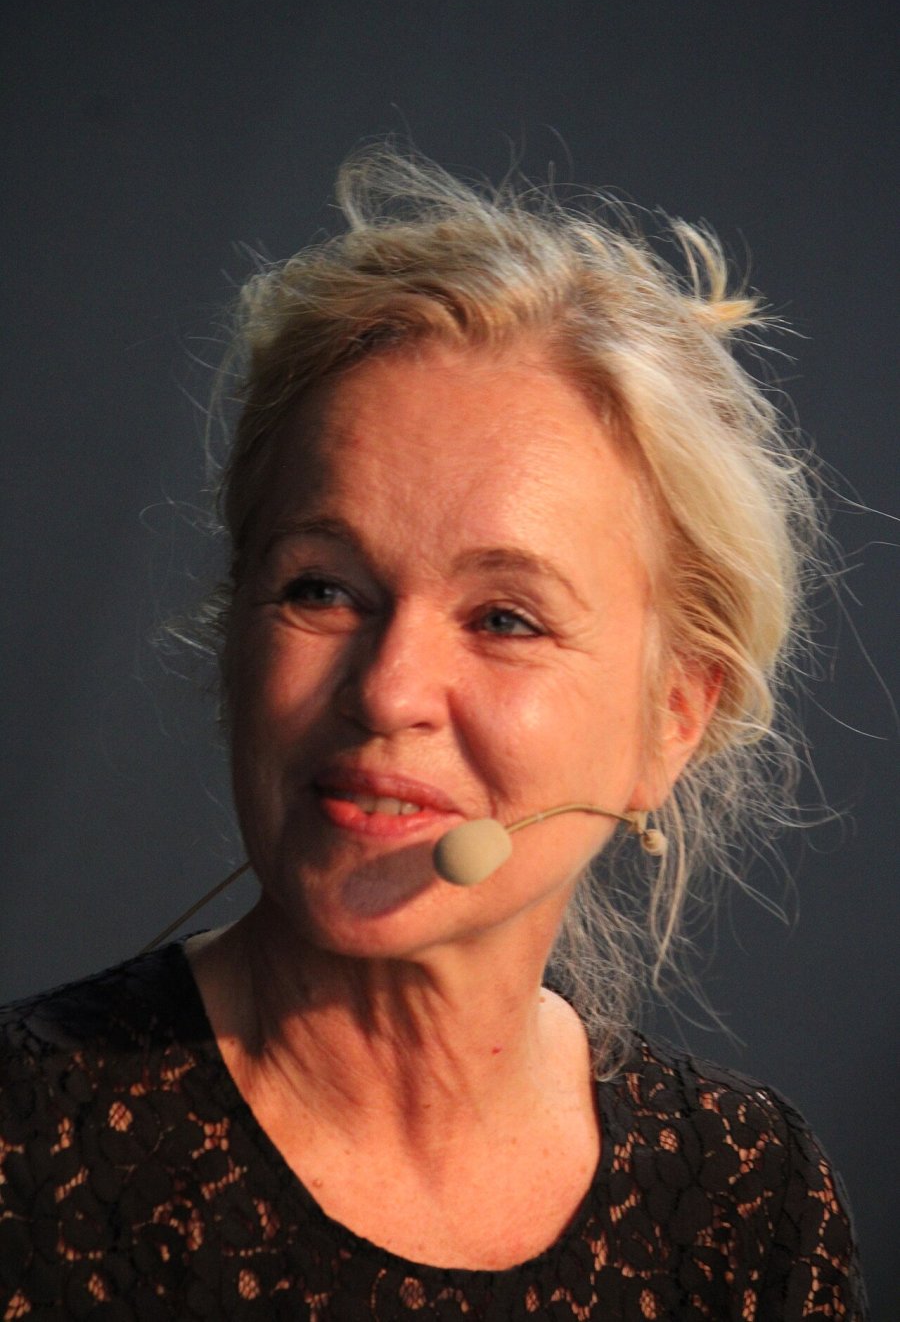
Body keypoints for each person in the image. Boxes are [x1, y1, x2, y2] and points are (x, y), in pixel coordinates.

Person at [0, 147, 867, 1319]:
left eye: (505, 618)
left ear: (673, 720)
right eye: (322, 588)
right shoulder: (24, 1153)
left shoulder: (749, 1199)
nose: (388, 689)